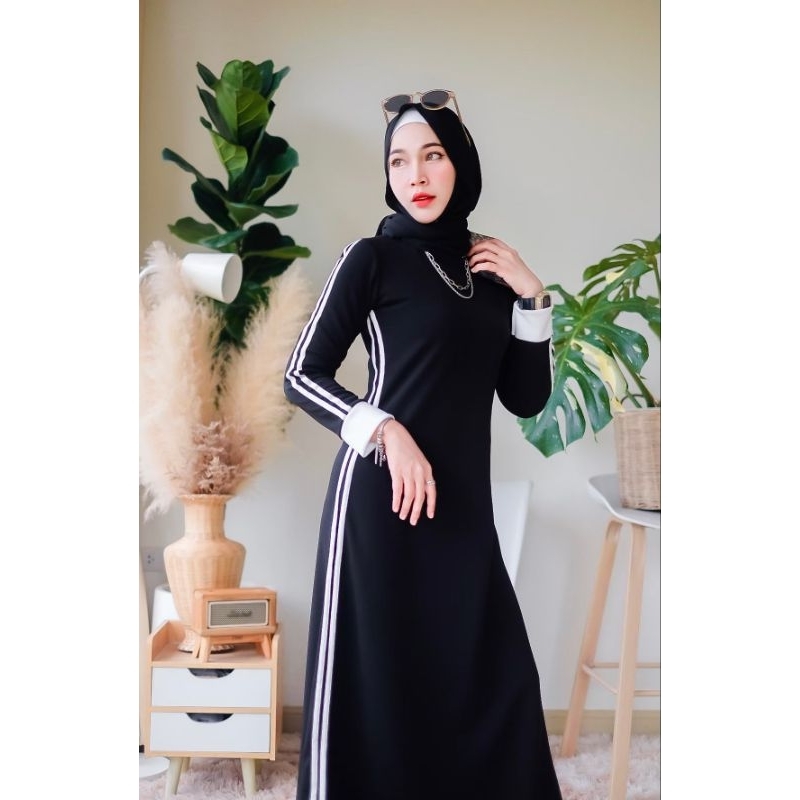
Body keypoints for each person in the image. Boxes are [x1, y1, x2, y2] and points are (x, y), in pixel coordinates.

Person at [284, 90, 562, 800]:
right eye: (400, 161)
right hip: (381, 503)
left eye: (432, 156)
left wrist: (533, 299)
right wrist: (386, 430)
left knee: (494, 681)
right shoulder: (370, 259)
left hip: (462, 510)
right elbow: (301, 375)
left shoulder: (491, 277)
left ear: (460, 164)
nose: (417, 175)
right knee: (378, 684)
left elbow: (525, 398)